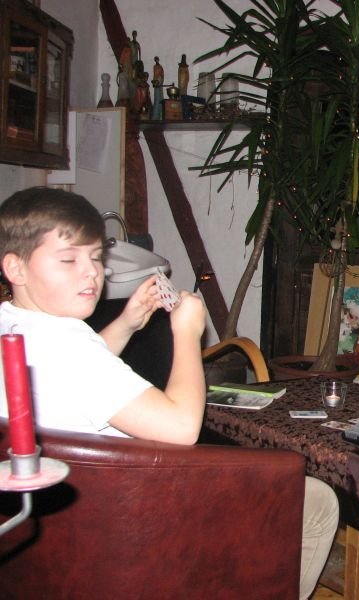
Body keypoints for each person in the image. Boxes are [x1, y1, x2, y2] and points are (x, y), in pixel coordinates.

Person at [0, 187, 337, 600]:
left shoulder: (17, 327)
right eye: (69, 260)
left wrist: (127, 323)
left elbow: (73, 380)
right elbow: (181, 427)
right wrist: (187, 333)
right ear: (15, 267)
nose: (91, 273)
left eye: (96, 258)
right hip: (131, 517)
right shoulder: (68, 347)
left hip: (66, 519)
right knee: (317, 500)